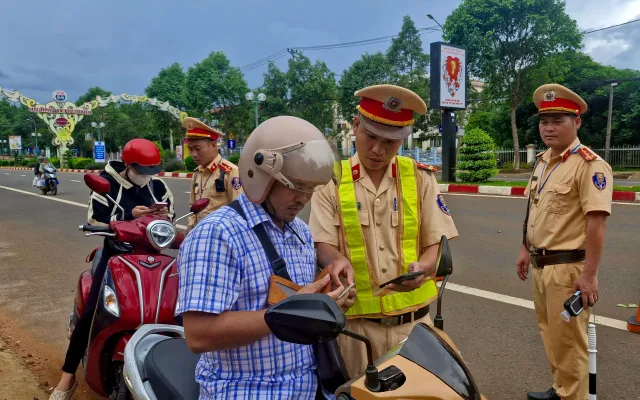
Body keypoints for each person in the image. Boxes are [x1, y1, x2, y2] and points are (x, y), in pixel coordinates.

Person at [177, 116, 354, 399]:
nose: (303, 199)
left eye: (310, 189)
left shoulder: (300, 231)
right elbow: (198, 334)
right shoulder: (217, 234)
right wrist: (292, 313)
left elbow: (295, 306)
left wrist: (327, 301)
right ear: (261, 174)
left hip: (307, 389)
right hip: (245, 391)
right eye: (295, 186)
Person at [309, 84, 459, 378]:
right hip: (356, 331)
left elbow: (436, 242)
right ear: (355, 125)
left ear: (403, 138)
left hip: (415, 328)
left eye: (390, 142)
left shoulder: (419, 178)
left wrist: (423, 269)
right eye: (371, 136)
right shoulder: (332, 181)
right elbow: (323, 244)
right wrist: (335, 262)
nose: (378, 150)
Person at [49, 138, 175, 400]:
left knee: (177, 311)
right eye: (142, 171)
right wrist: (131, 215)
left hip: (152, 256)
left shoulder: (159, 186)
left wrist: (162, 217)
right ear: (129, 166)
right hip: (116, 257)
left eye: (152, 171)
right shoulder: (107, 184)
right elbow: (94, 218)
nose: (147, 177)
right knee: (93, 311)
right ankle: (68, 377)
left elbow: (171, 218)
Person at [517, 84, 613, 400]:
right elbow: (534, 207)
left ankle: (573, 394)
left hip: (568, 270)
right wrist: (524, 248)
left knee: (571, 344)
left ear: (577, 123)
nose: (549, 127)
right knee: (553, 337)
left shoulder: (589, 165)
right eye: (545, 121)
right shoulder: (543, 161)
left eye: (558, 120)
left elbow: (596, 223)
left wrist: (589, 275)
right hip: (541, 264)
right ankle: (561, 389)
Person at [183, 117, 242, 233]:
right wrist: (190, 225)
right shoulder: (196, 173)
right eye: (190, 149)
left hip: (222, 235)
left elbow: (239, 209)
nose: (193, 154)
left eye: (198, 149)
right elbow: (193, 206)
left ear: (214, 145)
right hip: (199, 233)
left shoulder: (230, 171)